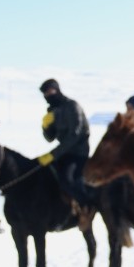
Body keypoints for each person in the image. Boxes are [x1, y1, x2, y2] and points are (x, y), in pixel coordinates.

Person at [36, 78, 93, 212]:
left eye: (50, 91)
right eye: (45, 94)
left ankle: (86, 207)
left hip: (78, 153)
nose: (48, 96)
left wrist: (52, 155)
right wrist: (46, 127)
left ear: (57, 90)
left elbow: (75, 135)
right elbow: (50, 138)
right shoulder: (53, 110)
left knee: (67, 180)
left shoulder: (72, 106)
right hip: (63, 153)